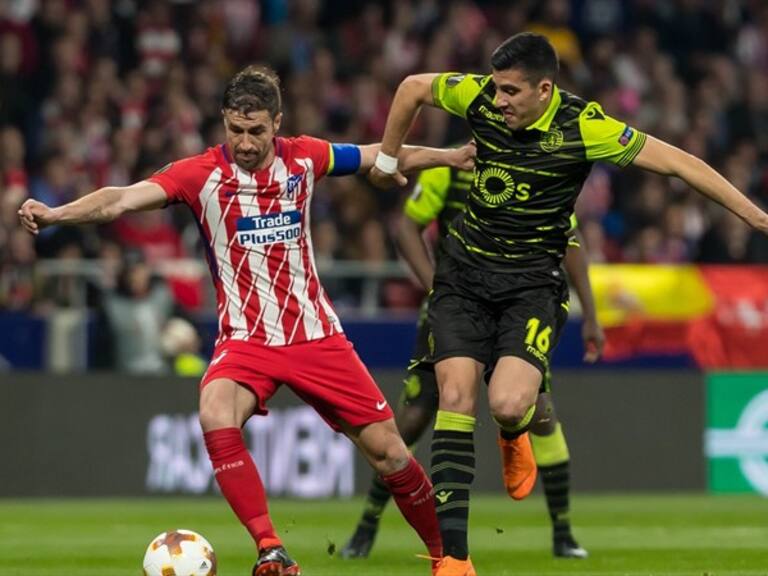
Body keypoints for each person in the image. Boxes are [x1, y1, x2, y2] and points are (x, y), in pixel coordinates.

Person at [18, 65, 476, 576]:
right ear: (224, 122)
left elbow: (380, 155)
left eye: (257, 131)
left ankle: (449, 559)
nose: (246, 143)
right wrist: (57, 213)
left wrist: (448, 156)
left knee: (390, 454)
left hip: (316, 336)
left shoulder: (307, 156)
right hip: (246, 341)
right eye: (236, 131)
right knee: (214, 411)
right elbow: (120, 199)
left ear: (276, 123)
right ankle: (271, 548)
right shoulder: (198, 174)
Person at [368, 32, 768, 576]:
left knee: (509, 404)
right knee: (456, 397)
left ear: (544, 89)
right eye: (495, 89)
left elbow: (680, 163)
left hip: (531, 284)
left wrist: (758, 218)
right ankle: (455, 560)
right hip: (463, 275)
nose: (497, 100)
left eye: (511, 91)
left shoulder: (585, 127)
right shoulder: (480, 95)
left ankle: (514, 433)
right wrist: (389, 159)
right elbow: (412, 87)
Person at [340, 162, 601, 561]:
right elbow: (407, 227)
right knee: (412, 418)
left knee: (537, 410)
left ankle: (563, 533)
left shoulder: (541, 163)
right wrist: (438, 288)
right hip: (459, 304)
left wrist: (592, 315)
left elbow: (570, 240)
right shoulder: (452, 166)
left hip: (519, 301)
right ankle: (366, 528)